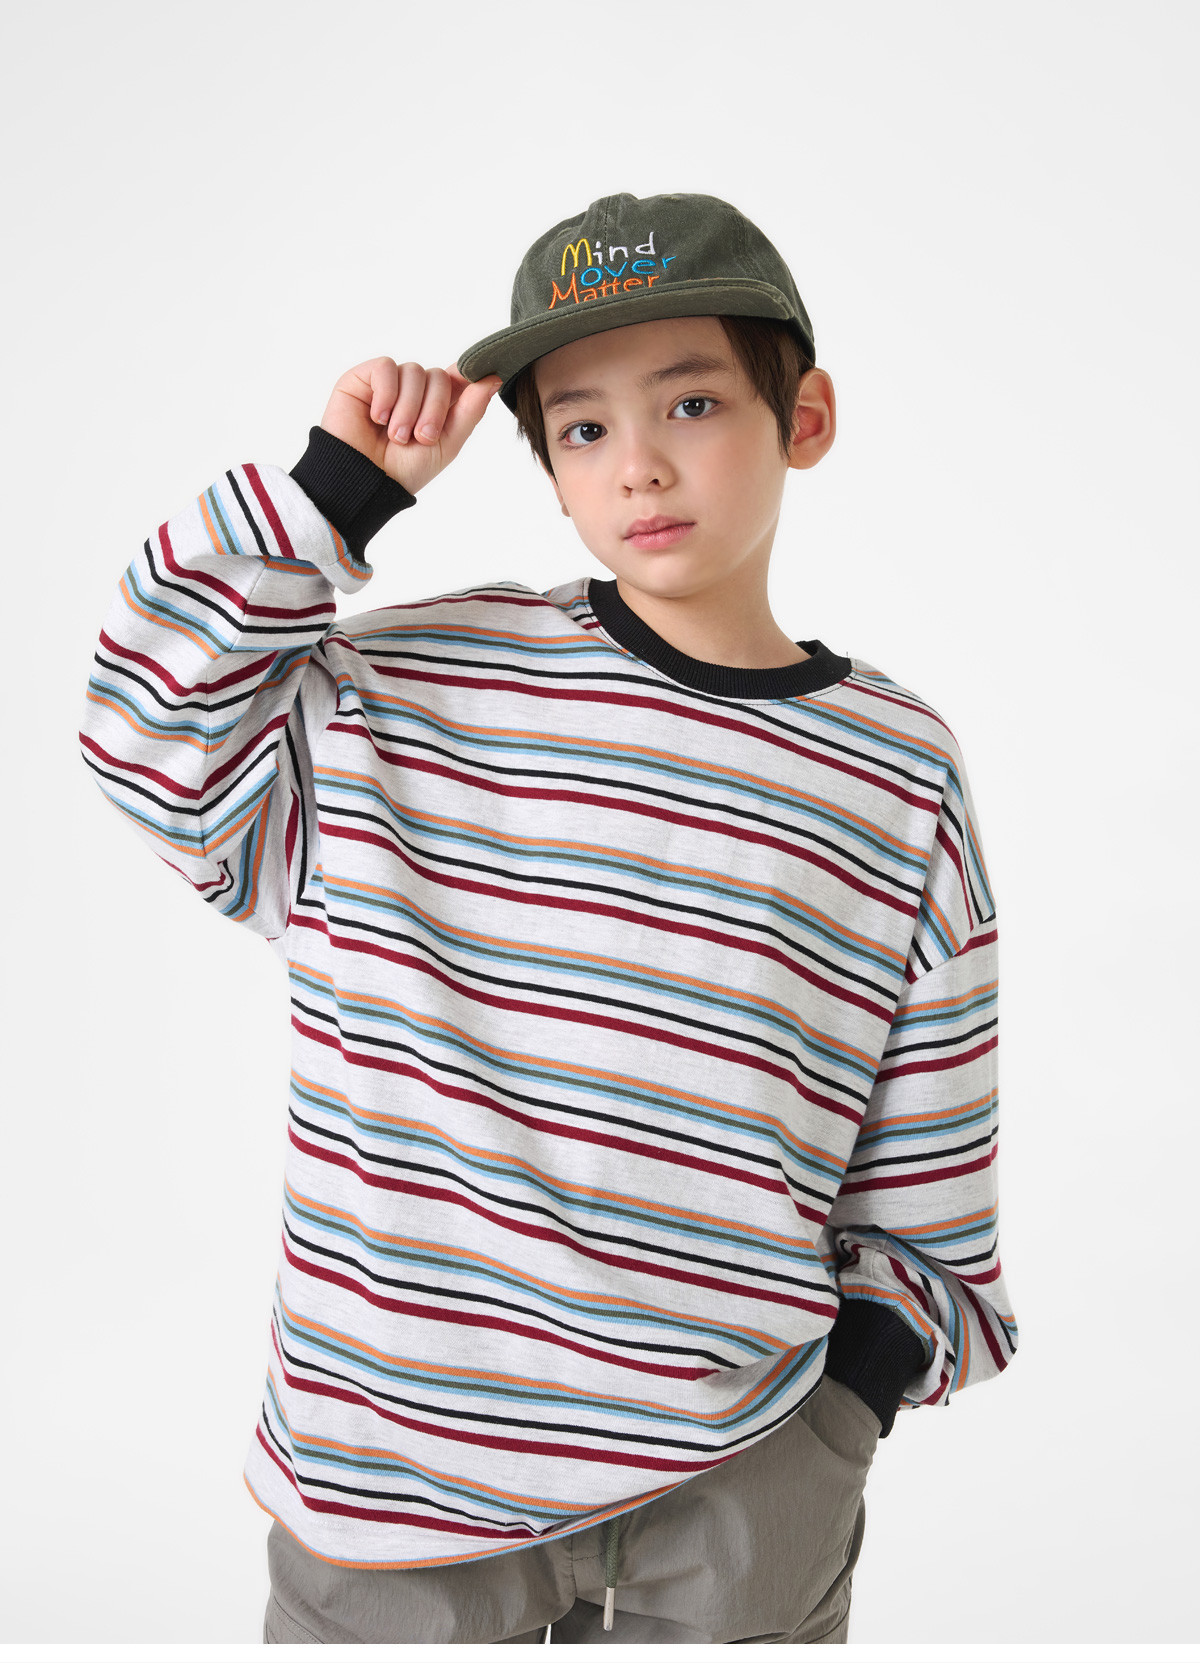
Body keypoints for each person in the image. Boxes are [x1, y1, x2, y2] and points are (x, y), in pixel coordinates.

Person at [79, 191, 1017, 1645]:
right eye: (581, 428)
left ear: (804, 418)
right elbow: (150, 733)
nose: (638, 462)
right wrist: (337, 491)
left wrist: (856, 1397)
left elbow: (929, 1122)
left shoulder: (896, 766)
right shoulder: (410, 689)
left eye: (693, 403)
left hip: (745, 1469)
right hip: (398, 1470)